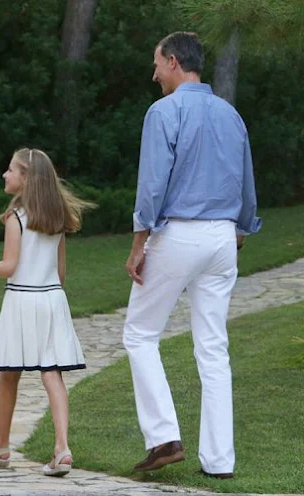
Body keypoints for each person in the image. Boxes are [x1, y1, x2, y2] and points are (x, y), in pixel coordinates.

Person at [122, 32, 261, 479]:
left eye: (157, 63)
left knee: (140, 334)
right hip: (223, 237)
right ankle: (220, 461)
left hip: (180, 232)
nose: (154, 72)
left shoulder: (163, 111)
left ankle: (163, 437)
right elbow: (246, 184)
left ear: (175, 62)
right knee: (213, 348)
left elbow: (153, 184)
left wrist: (138, 243)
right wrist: (240, 229)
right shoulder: (231, 114)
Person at [0, 148, 91, 477]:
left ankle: (0, 446)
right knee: (52, 374)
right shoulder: (56, 218)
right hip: (52, 298)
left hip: (22, 299)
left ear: (25, 179)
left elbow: (9, 266)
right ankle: (62, 448)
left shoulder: (17, 219)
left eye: (11, 170)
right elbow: (61, 272)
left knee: (8, 375)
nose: (5, 175)